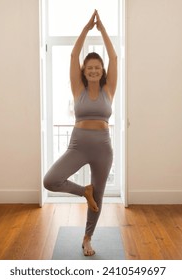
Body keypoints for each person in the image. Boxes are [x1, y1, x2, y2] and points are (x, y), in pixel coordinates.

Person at [43, 10, 117, 257]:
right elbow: (74, 54)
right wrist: (86, 28)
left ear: (102, 70)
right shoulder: (78, 89)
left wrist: (103, 29)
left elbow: (115, 56)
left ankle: (87, 238)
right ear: (84, 72)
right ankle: (83, 192)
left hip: (103, 148)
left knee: (100, 194)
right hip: (78, 145)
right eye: (89, 68)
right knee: (50, 180)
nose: (94, 71)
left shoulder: (108, 89)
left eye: (97, 67)